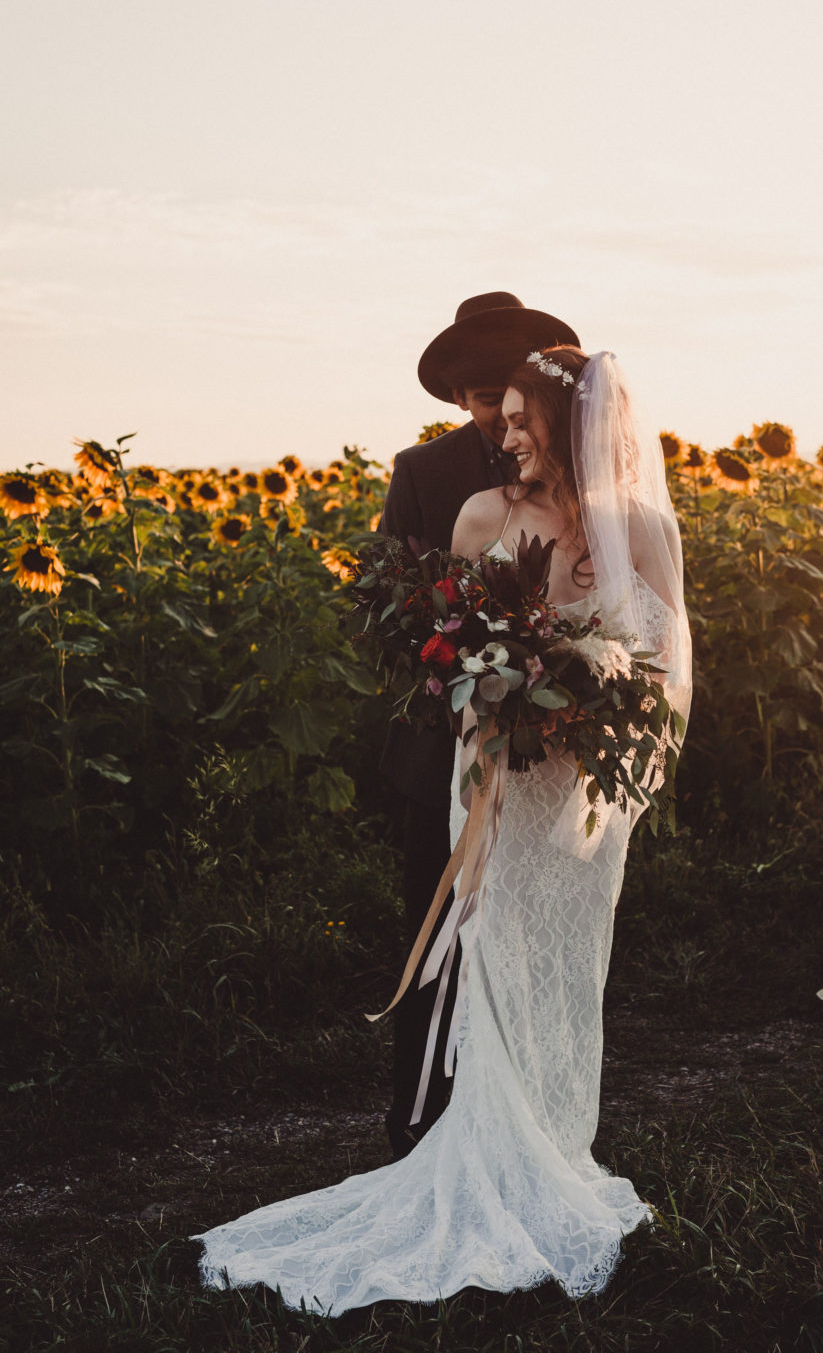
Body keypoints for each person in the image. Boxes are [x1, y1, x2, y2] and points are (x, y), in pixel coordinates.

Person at [193, 340, 692, 1314]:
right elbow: (452, 642)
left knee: (567, 962)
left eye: (519, 420)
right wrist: (508, 702)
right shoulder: (481, 516)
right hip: (501, 777)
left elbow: (666, 651)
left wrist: (599, 690)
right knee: (496, 953)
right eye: (498, 418)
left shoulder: (637, 524)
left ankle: (556, 1146)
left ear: (568, 425)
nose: (502, 437)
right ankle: (489, 1156)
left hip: (581, 789)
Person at [378, 292, 581, 1158]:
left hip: (556, 748)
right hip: (446, 748)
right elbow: (393, 611)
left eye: (498, 389)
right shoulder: (424, 473)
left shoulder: (579, 469)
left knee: (532, 937)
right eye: (469, 395)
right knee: (438, 933)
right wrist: (462, 672)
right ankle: (418, 1118)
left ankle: (523, 1116)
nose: (489, 412)